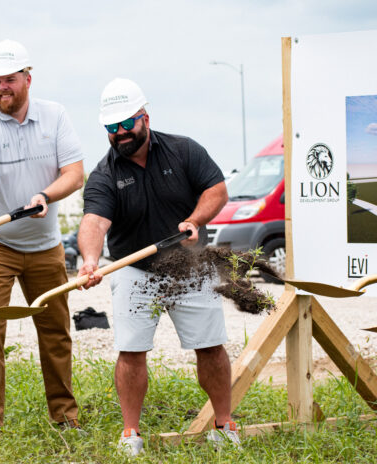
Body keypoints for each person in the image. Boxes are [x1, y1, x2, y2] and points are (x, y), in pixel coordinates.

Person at [77, 78, 238, 455]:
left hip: (189, 264)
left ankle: (224, 424)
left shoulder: (184, 150)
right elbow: (94, 222)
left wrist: (194, 221)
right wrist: (89, 260)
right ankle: (130, 433)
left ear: (144, 117)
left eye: (125, 124)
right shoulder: (104, 174)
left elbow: (216, 190)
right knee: (131, 351)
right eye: (111, 128)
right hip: (134, 270)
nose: (119, 134)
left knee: (210, 347)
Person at [0, 39, 84, 430]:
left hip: (44, 244)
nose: (2, 87)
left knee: (55, 331)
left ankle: (65, 418)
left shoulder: (55, 116)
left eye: (9, 79)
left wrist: (47, 194)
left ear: (28, 78)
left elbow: (74, 173)